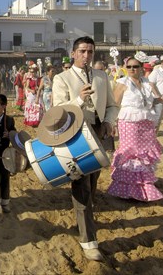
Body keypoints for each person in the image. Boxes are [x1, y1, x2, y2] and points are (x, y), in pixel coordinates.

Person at [52, 36, 119, 262]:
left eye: (90, 52)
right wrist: (79, 100)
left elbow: (111, 105)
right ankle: (89, 240)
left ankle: (85, 219)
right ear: (73, 53)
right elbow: (57, 110)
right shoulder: (62, 78)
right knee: (81, 185)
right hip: (76, 135)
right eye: (82, 51)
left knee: (91, 183)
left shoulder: (101, 76)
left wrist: (110, 121)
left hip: (98, 133)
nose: (86, 56)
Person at [108, 53, 163, 201]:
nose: (132, 69)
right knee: (131, 153)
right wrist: (112, 123)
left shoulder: (148, 83)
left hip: (146, 123)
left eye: (135, 66)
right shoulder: (122, 83)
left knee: (145, 153)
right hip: (129, 123)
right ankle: (128, 188)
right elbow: (114, 104)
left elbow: (157, 101)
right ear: (125, 68)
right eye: (129, 67)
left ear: (141, 67)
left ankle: (144, 186)